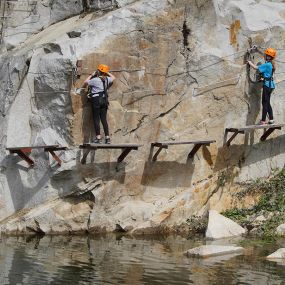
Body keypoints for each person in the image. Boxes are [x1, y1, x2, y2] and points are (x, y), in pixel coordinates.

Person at [82, 64, 116, 143]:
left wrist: (92, 75)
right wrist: (107, 73)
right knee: (103, 119)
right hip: (104, 100)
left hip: (96, 100)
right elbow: (114, 77)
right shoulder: (107, 79)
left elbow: (85, 82)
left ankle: (98, 138)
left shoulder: (95, 80)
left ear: (98, 71)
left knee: (96, 119)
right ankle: (107, 138)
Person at [247, 48, 276, 125]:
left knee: (264, 103)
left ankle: (263, 120)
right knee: (267, 102)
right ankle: (271, 119)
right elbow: (265, 56)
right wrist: (258, 50)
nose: (266, 56)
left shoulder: (267, 64)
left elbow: (256, 68)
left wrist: (249, 62)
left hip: (267, 85)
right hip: (271, 85)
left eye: (267, 55)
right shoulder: (271, 64)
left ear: (269, 57)